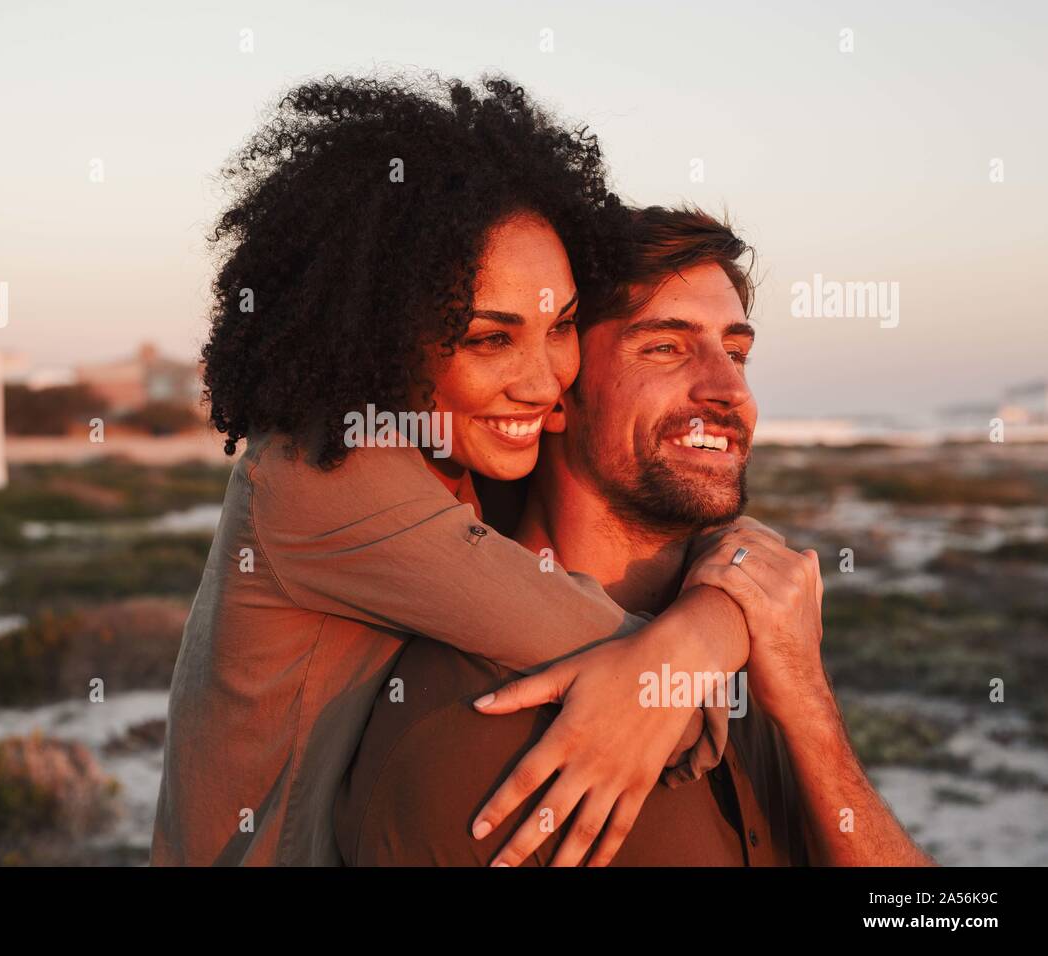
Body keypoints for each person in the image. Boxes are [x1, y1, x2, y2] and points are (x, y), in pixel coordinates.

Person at [151, 76, 760, 867]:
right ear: (385, 335)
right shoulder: (329, 478)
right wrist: (728, 617)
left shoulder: (455, 452)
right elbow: (652, 688)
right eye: (489, 338)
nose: (544, 383)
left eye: (562, 326)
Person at [335, 206, 935, 867]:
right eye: (666, 348)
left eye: (737, 352)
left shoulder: (755, 640)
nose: (730, 390)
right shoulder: (473, 727)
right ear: (553, 391)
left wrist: (809, 707)